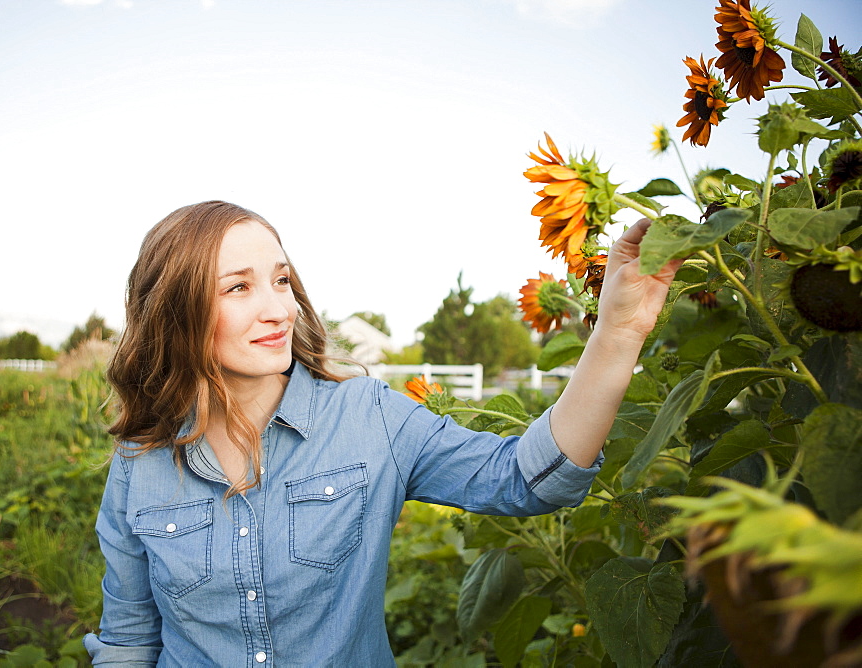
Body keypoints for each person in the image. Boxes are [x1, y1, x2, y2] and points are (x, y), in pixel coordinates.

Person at [83, 200, 681, 666]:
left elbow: (529, 480)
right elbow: (130, 643)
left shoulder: (368, 418)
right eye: (238, 287)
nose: (278, 309)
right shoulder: (141, 465)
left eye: (282, 280)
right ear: (175, 311)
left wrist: (618, 332)